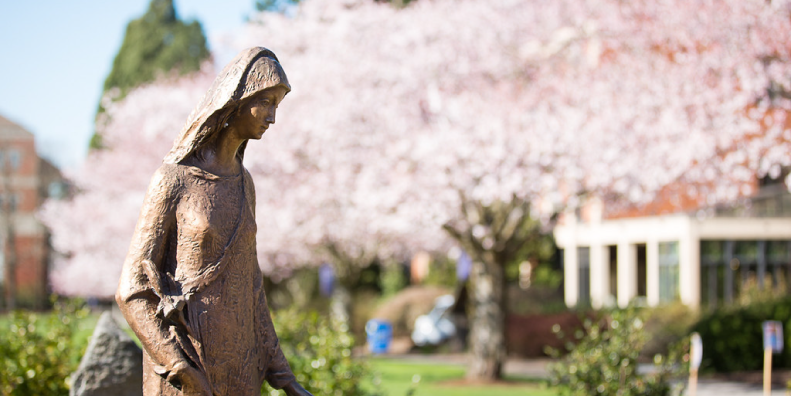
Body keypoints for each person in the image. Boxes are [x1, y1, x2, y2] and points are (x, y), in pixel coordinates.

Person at [116, 47, 312, 396]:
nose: (272, 117)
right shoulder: (173, 179)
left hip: (240, 366)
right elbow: (131, 290)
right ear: (237, 98)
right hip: (190, 362)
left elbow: (252, 287)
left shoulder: (244, 183)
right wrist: (179, 368)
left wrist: (285, 378)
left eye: (277, 106)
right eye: (265, 102)